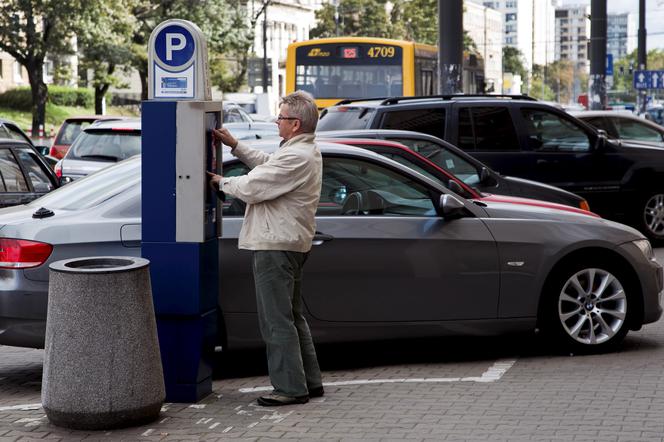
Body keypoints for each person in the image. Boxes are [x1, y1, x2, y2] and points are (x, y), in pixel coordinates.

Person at [208, 91, 324, 406]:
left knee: (276, 320)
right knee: (292, 316)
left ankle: (289, 388)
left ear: (295, 123)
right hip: (291, 242)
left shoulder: (296, 156)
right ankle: (309, 382)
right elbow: (268, 165)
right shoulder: (303, 151)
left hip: (276, 245)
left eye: (281, 117)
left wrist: (220, 182)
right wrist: (235, 145)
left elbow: (253, 186)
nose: (276, 121)